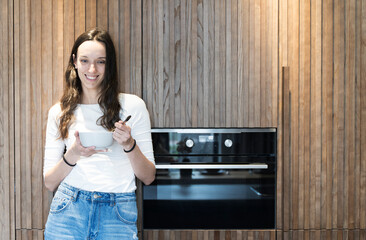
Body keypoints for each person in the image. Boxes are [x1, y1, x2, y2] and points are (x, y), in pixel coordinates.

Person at [43, 28, 156, 240]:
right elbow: (49, 182)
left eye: (101, 61)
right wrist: (74, 154)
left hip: (118, 211)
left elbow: (148, 177)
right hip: (68, 209)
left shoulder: (133, 106)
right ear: (75, 62)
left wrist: (129, 144)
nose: (92, 69)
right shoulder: (59, 112)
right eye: (85, 60)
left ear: (109, 64)